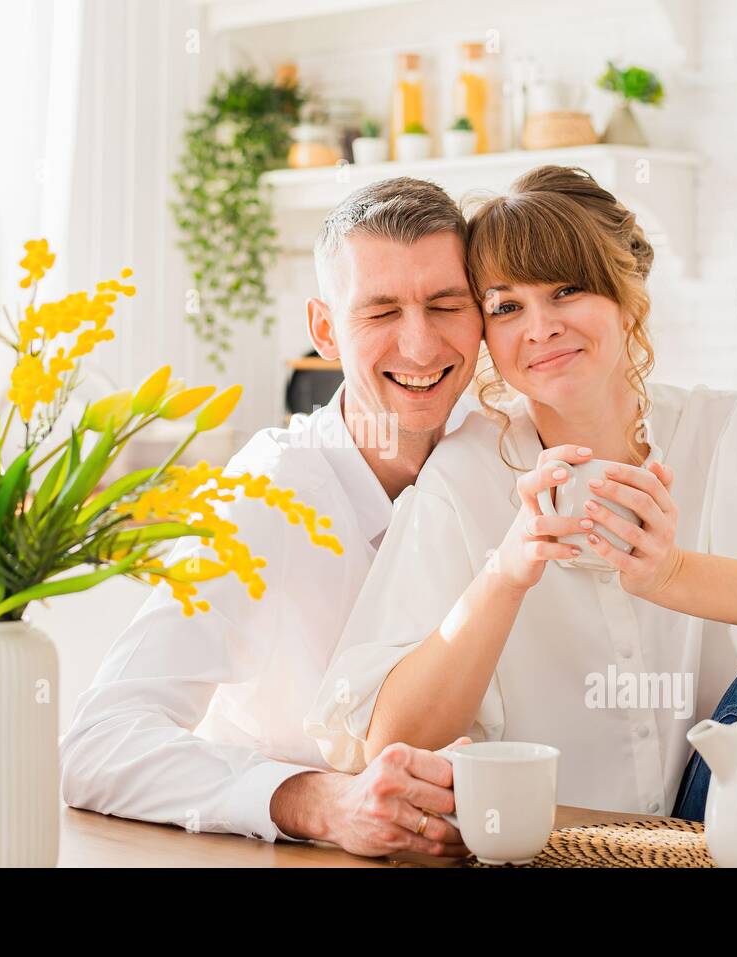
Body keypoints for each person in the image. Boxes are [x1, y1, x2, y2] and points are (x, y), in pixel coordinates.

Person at [306, 166, 737, 821]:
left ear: (627, 296)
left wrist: (673, 574)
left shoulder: (731, 433)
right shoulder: (463, 474)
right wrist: (507, 572)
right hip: (552, 844)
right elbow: (392, 742)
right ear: (485, 338)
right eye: (506, 305)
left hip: (726, 829)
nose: (541, 326)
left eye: (567, 289)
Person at [60, 178, 483, 856]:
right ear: (324, 331)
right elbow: (97, 743)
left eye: (444, 305)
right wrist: (317, 799)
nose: (421, 343)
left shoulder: (494, 460)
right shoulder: (266, 494)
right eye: (380, 312)